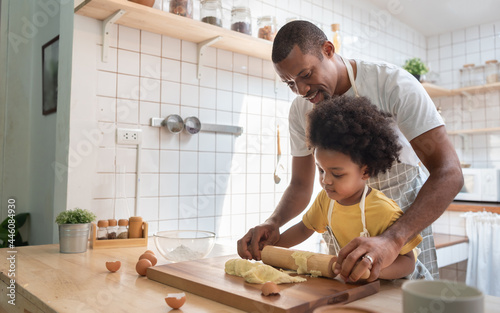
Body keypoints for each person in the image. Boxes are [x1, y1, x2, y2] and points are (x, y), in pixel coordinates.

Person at [237, 20, 463, 282]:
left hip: (401, 240)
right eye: (290, 83)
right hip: (345, 262)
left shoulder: (393, 85)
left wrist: (392, 240)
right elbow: (300, 185)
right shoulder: (301, 111)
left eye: (306, 75)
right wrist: (274, 223)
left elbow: (449, 173)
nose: (301, 91)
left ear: (328, 50)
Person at [275, 95, 423, 280]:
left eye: (337, 174)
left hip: (397, 289)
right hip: (359, 287)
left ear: (365, 172)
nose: (326, 180)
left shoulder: (384, 211)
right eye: (321, 170)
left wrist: (372, 271)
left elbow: (409, 262)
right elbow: (304, 229)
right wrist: (270, 248)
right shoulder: (325, 201)